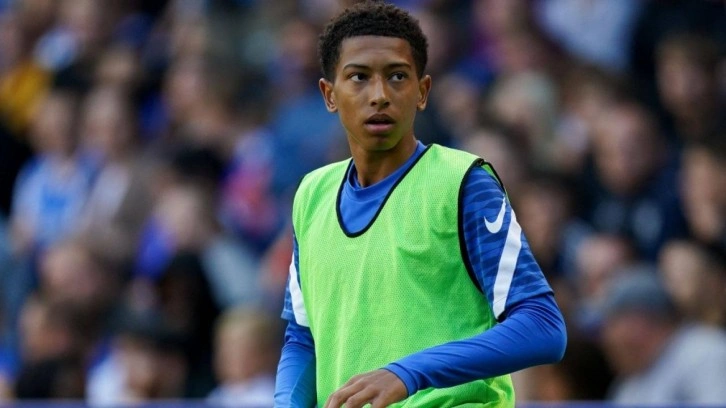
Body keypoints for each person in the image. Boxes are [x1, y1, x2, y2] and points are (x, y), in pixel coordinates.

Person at [274, 2, 567, 407]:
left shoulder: (464, 183)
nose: (379, 95)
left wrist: (409, 373)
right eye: (359, 77)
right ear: (329, 95)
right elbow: (303, 338)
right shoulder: (312, 194)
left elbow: (543, 327)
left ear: (423, 91)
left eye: (397, 76)